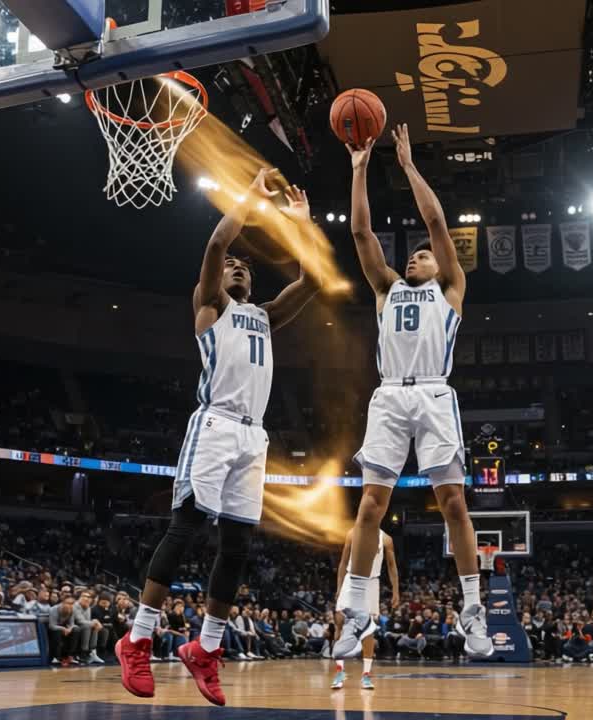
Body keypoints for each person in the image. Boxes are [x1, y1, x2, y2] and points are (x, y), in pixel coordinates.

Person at [114, 171, 320, 707]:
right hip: (215, 424)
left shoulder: (265, 316)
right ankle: (136, 639)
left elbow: (315, 282)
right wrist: (251, 198)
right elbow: (217, 242)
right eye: (233, 266)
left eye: (245, 268)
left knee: (238, 545)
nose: (237, 268)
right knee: (185, 529)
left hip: (254, 437)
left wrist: (302, 227)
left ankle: (205, 650)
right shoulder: (211, 306)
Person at [335, 126, 490, 662]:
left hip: (433, 394)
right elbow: (360, 235)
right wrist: (359, 167)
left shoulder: (451, 290)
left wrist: (406, 165)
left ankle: (473, 608)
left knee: (453, 502)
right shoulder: (386, 288)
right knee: (371, 505)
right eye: (415, 257)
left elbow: (436, 222)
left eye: (424, 256)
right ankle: (355, 611)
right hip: (389, 398)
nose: (417, 258)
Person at [332, 526, 398, 691]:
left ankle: (366, 675)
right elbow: (343, 562)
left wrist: (396, 590)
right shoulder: (352, 533)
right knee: (340, 620)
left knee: (368, 630)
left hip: (371, 582)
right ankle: (340, 671)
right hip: (351, 579)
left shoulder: (386, 539)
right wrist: (339, 587)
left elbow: (391, 565)